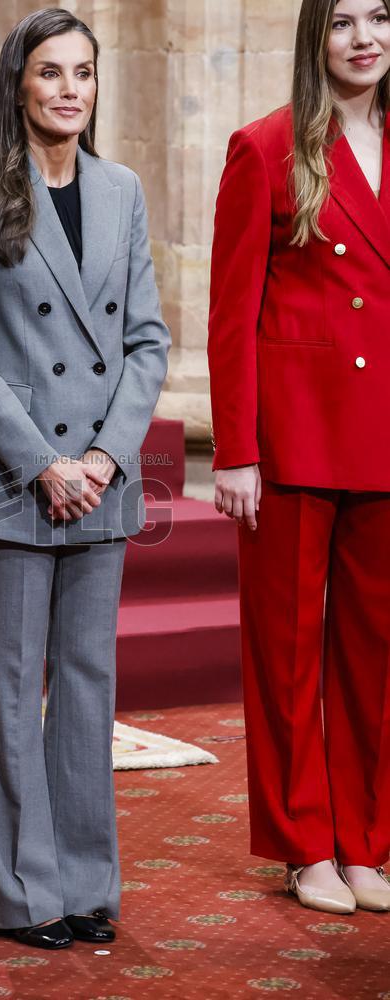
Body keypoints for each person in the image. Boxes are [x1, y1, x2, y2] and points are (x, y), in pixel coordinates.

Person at [0, 7, 169, 950]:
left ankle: (84, 885)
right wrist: (45, 465)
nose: (70, 89)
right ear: (18, 85)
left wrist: (107, 459)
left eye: (83, 72)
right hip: (17, 476)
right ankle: (19, 895)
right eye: (51, 73)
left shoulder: (122, 190)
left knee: (85, 688)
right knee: (11, 691)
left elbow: (147, 342)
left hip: (102, 479)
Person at [208, 0, 390, 915]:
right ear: (315, 37)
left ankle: (365, 842)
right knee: (286, 655)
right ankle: (302, 843)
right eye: (344, 21)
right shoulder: (266, 145)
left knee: (376, 655)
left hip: (386, 436)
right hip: (294, 439)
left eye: (382, 17)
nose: (365, 38)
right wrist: (234, 451)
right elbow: (232, 310)